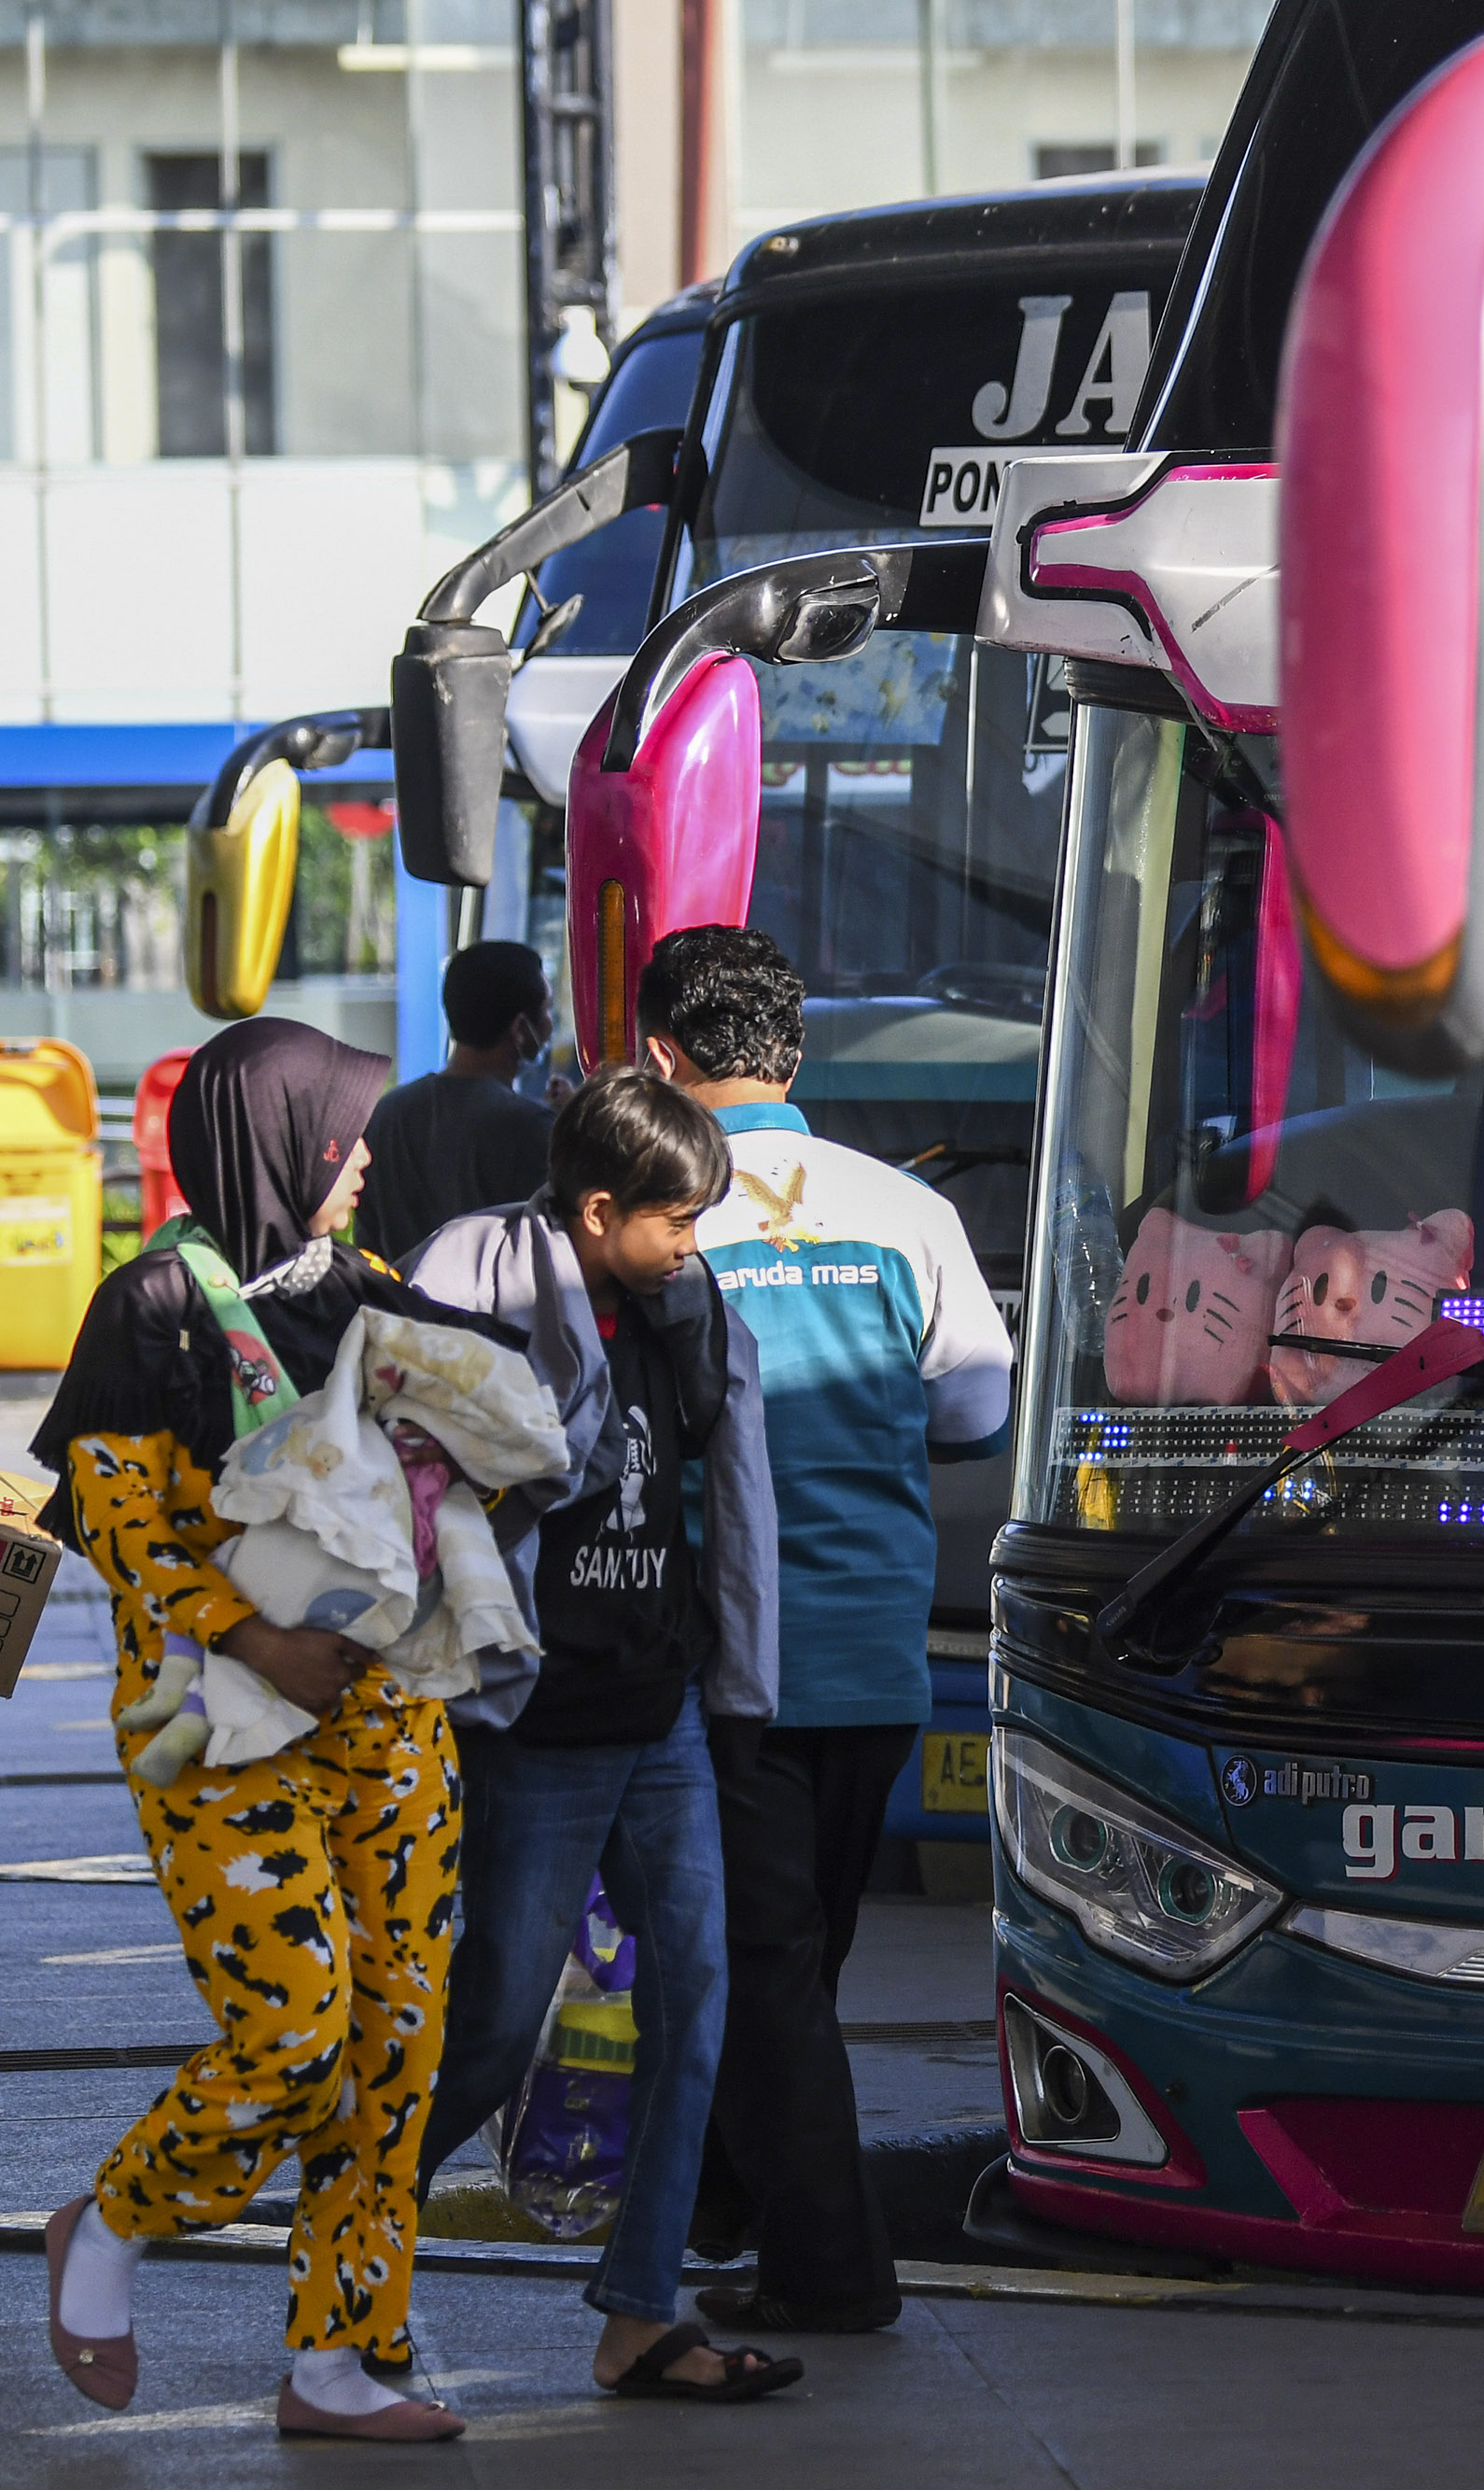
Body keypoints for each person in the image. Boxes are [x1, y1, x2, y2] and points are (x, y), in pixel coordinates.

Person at [31, 1020, 488, 2440]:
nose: (362, 1164)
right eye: (345, 1137)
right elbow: (124, 1530)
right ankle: (114, 2218)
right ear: (279, 1138)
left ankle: (341, 2360)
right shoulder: (152, 1307)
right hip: (215, 1722)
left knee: (393, 2046)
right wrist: (256, 1634)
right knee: (294, 2031)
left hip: (387, 1722)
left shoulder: (368, 1288)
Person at [634, 926, 1012, 2334]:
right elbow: (974, 1409)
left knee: (761, 1962)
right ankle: (730, 2200)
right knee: (800, 1951)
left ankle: (829, 2268)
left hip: (728, 1652)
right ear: (793, 1053)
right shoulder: (904, 1207)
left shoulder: (656, 1214)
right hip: (877, 1647)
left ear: (660, 1056)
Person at [405, 1071, 803, 2405]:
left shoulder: (686, 1309)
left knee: (696, 1999)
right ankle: (355, 2225)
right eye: (676, 1218)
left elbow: (731, 1491)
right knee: (494, 2024)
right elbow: (426, 1474)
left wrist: (737, 1693)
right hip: (540, 1720)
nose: (694, 1242)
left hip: (663, 1707)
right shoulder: (481, 1287)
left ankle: (640, 2315)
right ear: (595, 1208)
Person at [354, 941, 559, 1261]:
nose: (550, 1023)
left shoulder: (387, 1114)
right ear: (520, 1028)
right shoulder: (532, 1127)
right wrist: (567, 1132)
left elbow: (367, 1243)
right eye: (546, 1009)